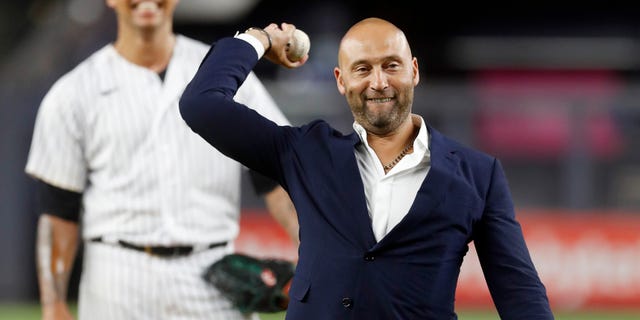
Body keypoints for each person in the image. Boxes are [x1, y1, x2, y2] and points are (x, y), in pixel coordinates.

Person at [179, 17, 555, 319]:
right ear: (342, 82)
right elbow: (201, 104)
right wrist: (259, 40)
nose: (378, 82)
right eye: (362, 69)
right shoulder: (307, 152)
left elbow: (517, 290)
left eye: (391, 65)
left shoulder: (478, 174)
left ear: (414, 71)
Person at [25, 0, 299, 319]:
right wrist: (53, 302)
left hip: (212, 273)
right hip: (115, 277)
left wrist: (314, 252)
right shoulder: (73, 92)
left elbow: (275, 175)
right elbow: (58, 209)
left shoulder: (225, 73)